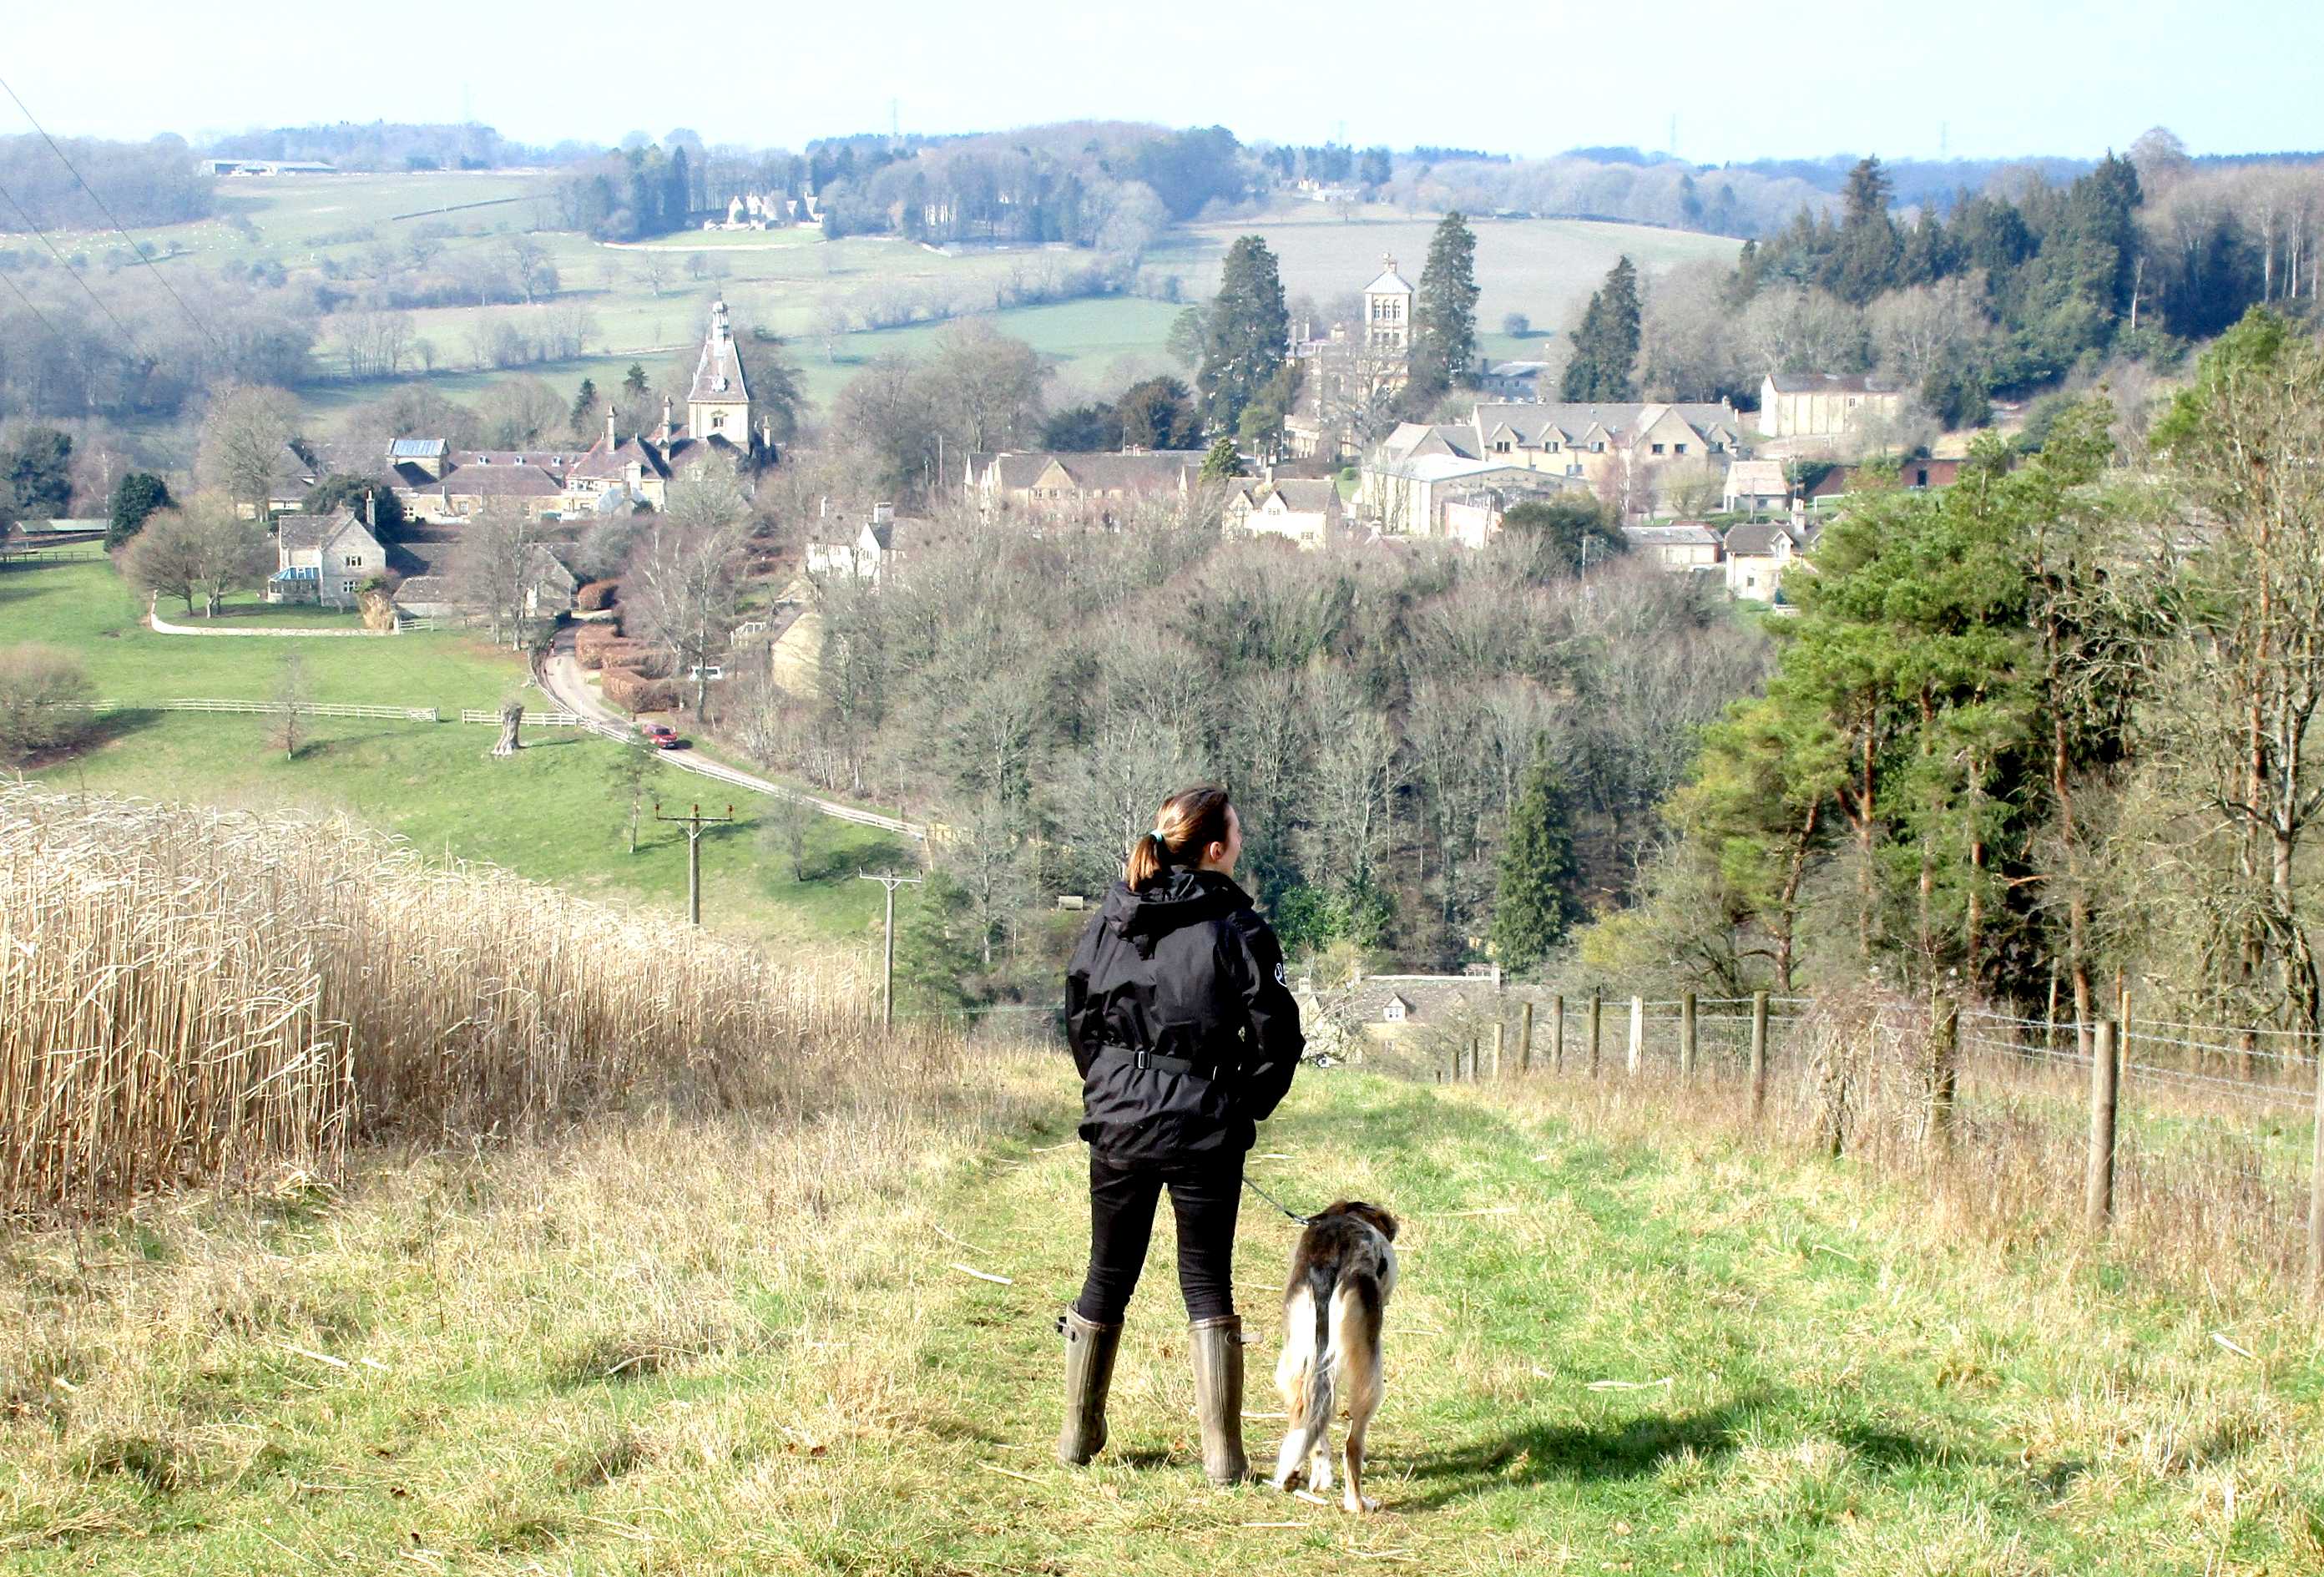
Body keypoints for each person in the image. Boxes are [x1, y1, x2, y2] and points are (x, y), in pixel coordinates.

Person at [1056, 784, 1305, 1484]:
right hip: (1204, 1120)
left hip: (1121, 1119)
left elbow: (1079, 1011)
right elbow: (1276, 1033)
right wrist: (1244, 1104)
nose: (1243, 841)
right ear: (1216, 848)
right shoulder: (1240, 927)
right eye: (1239, 831)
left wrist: (1110, 1087)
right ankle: (1223, 1457)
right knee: (1206, 1281)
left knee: (1107, 1273)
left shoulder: (1115, 915)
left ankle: (1078, 1435)